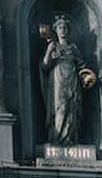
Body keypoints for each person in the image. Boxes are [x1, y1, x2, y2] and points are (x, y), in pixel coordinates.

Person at [39, 13, 96, 145]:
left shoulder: (73, 48)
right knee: (60, 107)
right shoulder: (53, 46)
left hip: (73, 79)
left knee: (73, 107)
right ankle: (57, 138)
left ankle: (71, 138)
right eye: (60, 27)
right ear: (56, 30)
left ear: (68, 30)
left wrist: (87, 76)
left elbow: (82, 66)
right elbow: (44, 66)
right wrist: (49, 52)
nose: (63, 30)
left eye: (65, 27)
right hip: (58, 79)